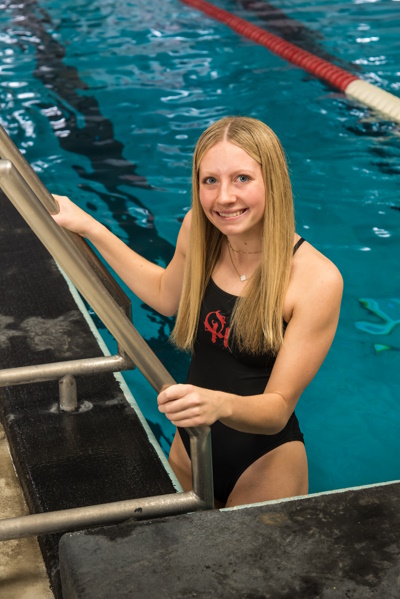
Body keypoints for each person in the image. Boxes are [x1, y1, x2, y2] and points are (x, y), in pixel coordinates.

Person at [52, 116, 343, 508]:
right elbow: (164, 296)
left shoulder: (316, 279)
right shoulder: (199, 230)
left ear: (272, 181)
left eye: (242, 178)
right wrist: (90, 227)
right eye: (211, 181)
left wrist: (218, 404)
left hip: (264, 465)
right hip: (190, 445)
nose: (224, 198)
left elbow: (277, 409)